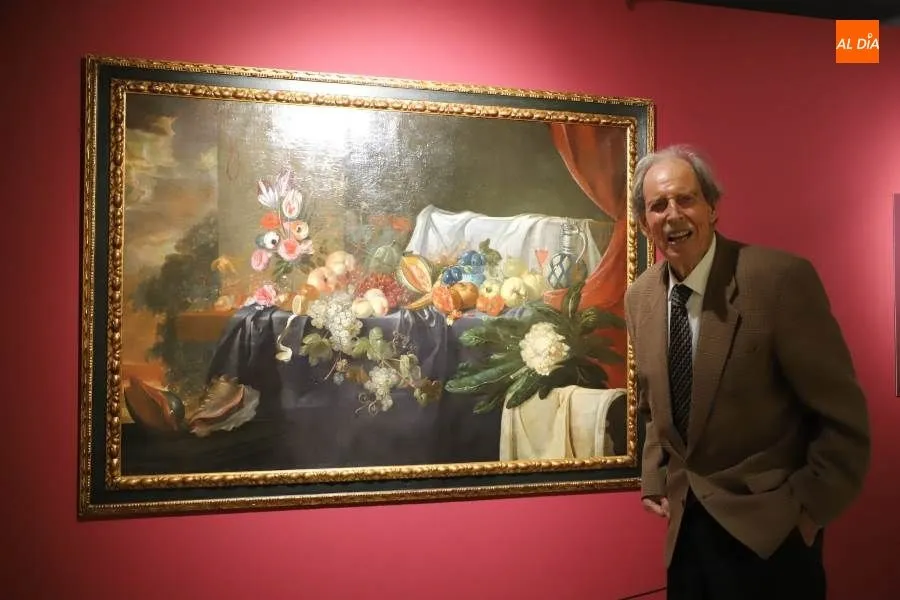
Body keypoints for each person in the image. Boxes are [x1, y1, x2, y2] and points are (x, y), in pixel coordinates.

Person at [623, 145, 870, 599]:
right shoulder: (640, 297)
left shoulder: (778, 280)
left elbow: (843, 417)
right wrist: (654, 477)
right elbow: (651, 398)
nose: (673, 214)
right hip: (686, 538)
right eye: (658, 205)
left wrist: (809, 514)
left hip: (772, 537)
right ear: (644, 223)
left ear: (713, 207)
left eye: (686, 199)